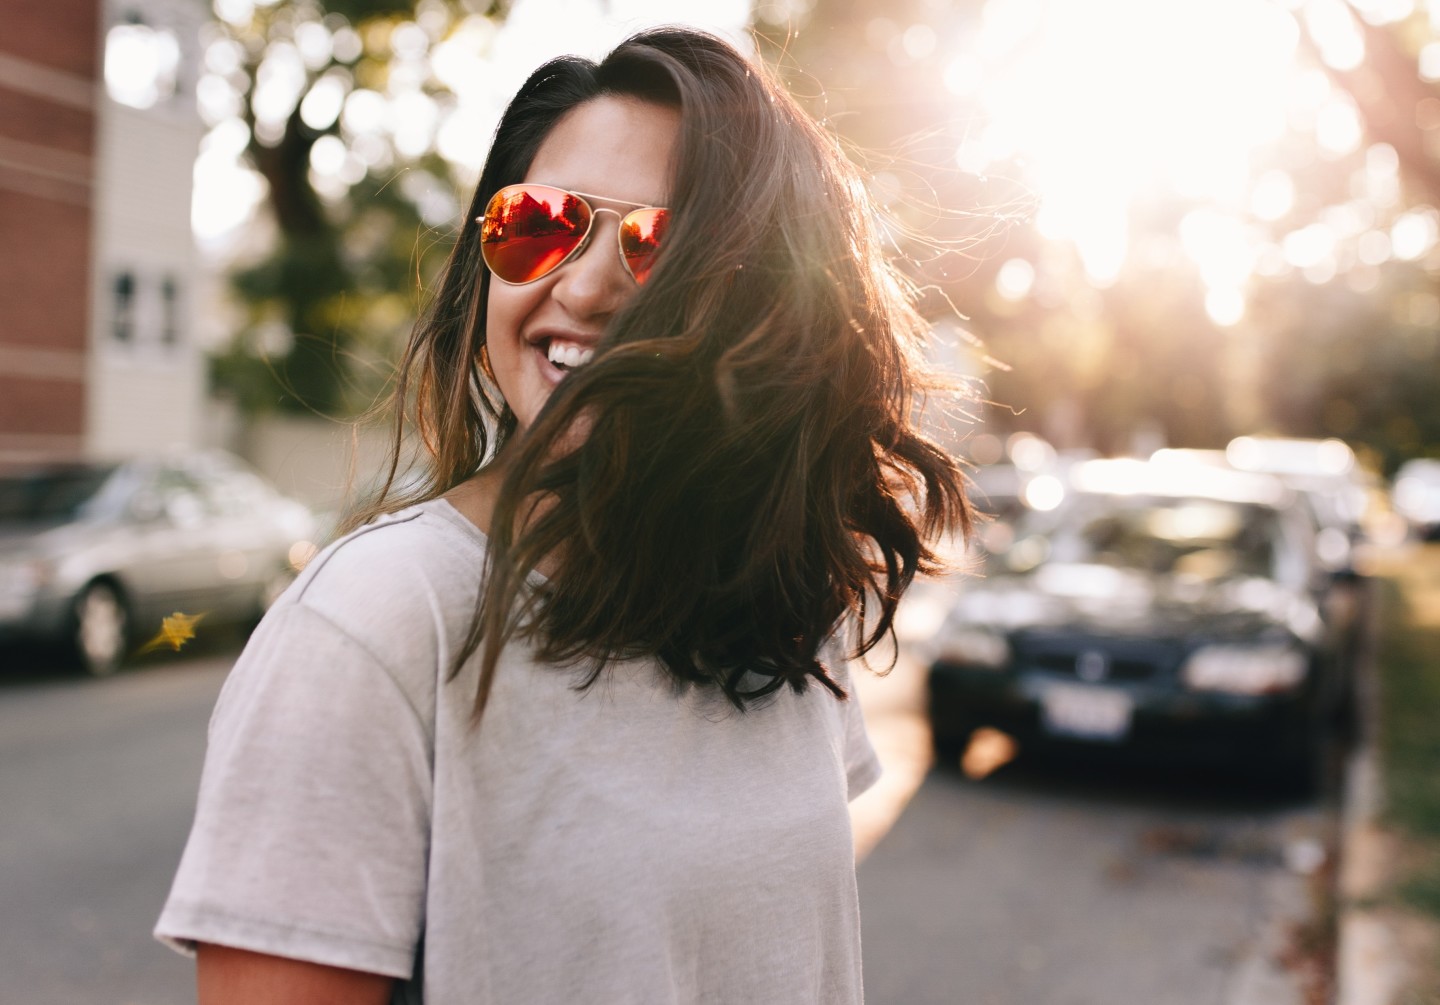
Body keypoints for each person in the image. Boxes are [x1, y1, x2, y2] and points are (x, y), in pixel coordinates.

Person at [155, 25, 971, 1004]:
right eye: (539, 223)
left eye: (660, 246)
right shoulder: (374, 625)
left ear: (770, 305)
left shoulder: (787, 603)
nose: (582, 288)